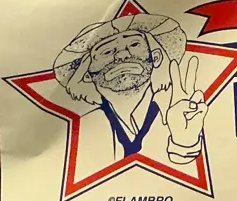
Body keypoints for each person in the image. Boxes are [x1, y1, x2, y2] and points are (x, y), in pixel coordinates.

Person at [53, 13, 210, 175]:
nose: (122, 55)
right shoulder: (81, 130)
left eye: (134, 44)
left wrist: (185, 140)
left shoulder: (177, 111)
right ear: (87, 73)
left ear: (155, 57)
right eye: (107, 52)